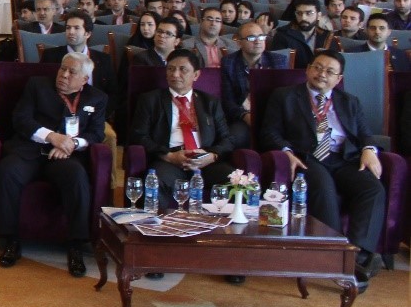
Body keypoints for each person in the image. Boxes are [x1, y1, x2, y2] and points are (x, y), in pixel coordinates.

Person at [262, 50, 387, 292]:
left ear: (338, 79)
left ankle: (357, 256)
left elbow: (365, 133)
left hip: (343, 158)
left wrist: (369, 149)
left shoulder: (350, 101)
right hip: (307, 158)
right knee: (323, 187)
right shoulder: (285, 96)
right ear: (308, 69)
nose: (322, 74)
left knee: (372, 189)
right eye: (318, 67)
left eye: (330, 71)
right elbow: (269, 132)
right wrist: (286, 151)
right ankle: (335, 255)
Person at [0, 52, 106, 277]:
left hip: (65, 156)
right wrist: (52, 137)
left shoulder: (97, 98)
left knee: (77, 178)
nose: (64, 75)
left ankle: (76, 244)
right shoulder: (37, 86)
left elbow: (96, 133)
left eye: (72, 72)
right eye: (62, 69)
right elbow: (21, 119)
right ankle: (11, 239)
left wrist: (72, 144)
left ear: (84, 79)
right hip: (30, 149)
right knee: (7, 171)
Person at [131, 49, 234, 210]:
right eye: (171, 69)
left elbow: (227, 139)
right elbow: (138, 136)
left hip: (204, 160)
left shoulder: (210, 102)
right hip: (169, 159)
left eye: (182, 69)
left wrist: (212, 156)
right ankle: (157, 225)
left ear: (196, 75)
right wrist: (169, 156)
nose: (175, 74)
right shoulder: (150, 100)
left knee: (234, 180)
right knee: (155, 181)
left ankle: (224, 226)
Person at [220, 21, 288, 151]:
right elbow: (228, 101)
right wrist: (245, 116)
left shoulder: (278, 61)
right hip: (242, 116)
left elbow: (284, 96)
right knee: (235, 137)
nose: (258, 41)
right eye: (251, 38)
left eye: (261, 36)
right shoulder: (229, 63)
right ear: (239, 42)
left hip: (272, 115)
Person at [39, 12, 114, 96]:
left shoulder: (104, 59)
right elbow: (43, 88)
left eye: (76, 28)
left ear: (87, 34)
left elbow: (112, 93)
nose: (71, 32)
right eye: (68, 28)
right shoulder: (50, 56)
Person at [271, 0, 333, 67]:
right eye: (299, 13)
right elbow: (277, 67)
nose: (303, 18)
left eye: (309, 13)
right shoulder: (282, 35)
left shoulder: (327, 36)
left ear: (319, 15)